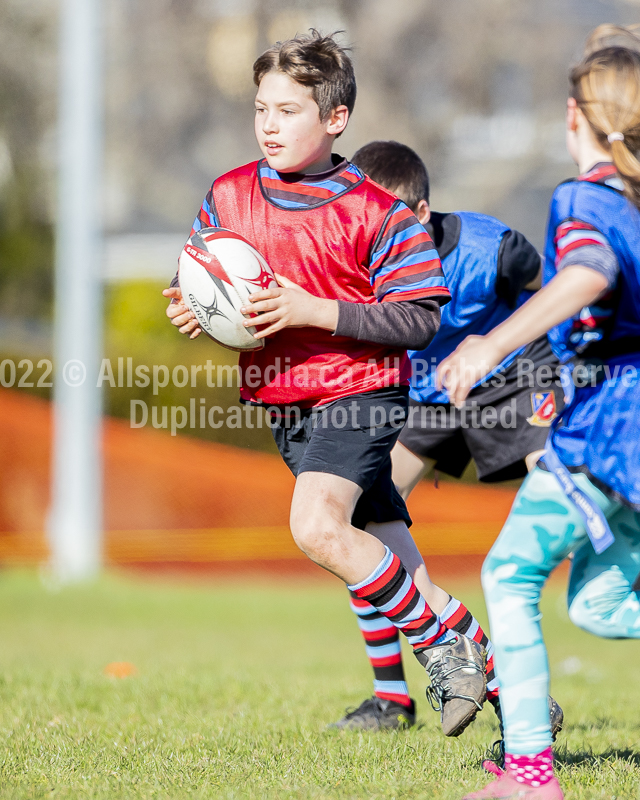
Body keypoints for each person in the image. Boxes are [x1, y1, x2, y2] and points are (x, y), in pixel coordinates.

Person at [163, 30, 488, 738]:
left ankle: (443, 652)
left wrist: (316, 310)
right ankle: (508, 687)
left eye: (287, 111)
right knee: (394, 562)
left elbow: (421, 316)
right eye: (261, 110)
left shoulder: (377, 211)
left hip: (360, 392)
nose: (269, 126)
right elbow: (202, 273)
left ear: (334, 119)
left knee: (316, 528)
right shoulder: (228, 194)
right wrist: (192, 302)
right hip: (287, 402)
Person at [438, 28, 640, 800]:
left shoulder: (584, 198)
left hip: (611, 437)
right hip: (618, 429)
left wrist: (490, 344)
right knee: (597, 603)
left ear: (572, 117)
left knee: (509, 573)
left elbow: (590, 273)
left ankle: (528, 775)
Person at [331, 141, 563, 744]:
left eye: (389, 223)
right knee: (356, 523)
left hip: (511, 376)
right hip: (427, 394)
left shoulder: (495, 248)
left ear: (424, 211)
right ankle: (390, 698)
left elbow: (557, 294)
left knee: (565, 489)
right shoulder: (360, 255)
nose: (374, 236)